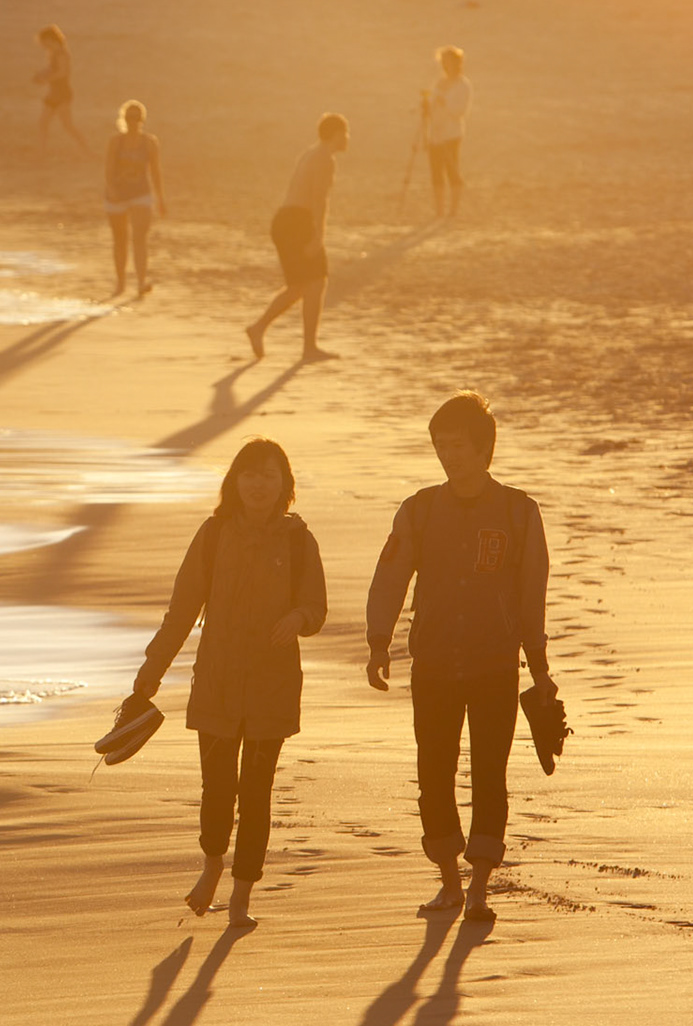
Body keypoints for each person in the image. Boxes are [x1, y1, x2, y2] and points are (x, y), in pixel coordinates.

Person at [365, 392, 554, 924]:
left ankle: (479, 886)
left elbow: (531, 594)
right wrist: (378, 642)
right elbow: (390, 579)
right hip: (434, 666)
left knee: (490, 774)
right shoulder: (420, 509)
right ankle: (448, 882)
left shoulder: (519, 512)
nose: (449, 456)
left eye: (458, 446)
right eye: (440, 446)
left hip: (496, 665)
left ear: (484, 449)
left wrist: (540, 671)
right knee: (434, 772)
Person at [127, 438, 328, 930]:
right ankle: (213, 863)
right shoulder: (214, 536)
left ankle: (241, 898)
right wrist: (149, 676)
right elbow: (181, 613)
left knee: (257, 791)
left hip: (273, 686)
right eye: (249, 474)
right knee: (217, 788)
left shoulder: (299, 541)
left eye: (269, 475)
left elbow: (317, 608)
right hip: (216, 683)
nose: (259, 484)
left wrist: (298, 617)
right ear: (234, 482)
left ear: (285, 485)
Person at [247, 112, 347, 363]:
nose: (348, 138)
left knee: (301, 285)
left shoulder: (310, 152)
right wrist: (318, 237)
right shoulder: (325, 158)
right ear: (335, 134)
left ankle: (258, 329)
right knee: (316, 282)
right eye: (345, 132)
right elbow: (318, 201)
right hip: (297, 222)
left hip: (285, 220)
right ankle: (309, 348)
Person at [104, 99, 166, 297]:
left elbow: (155, 172)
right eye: (129, 117)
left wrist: (160, 198)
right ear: (123, 119)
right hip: (117, 195)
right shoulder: (116, 142)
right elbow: (108, 170)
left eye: (136, 118)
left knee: (140, 239)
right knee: (120, 240)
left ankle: (140, 282)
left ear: (142, 120)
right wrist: (112, 190)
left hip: (141, 194)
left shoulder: (149, 143)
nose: (133, 121)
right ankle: (120, 282)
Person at [424, 46, 472, 218]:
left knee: (452, 169)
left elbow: (460, 111)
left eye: (449, 61)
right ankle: (439, 212)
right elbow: (431, 104)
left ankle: (453, 211)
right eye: (443, 61)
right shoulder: (439, 82)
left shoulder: (463, 85)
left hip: (451, 134)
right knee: (436, 172)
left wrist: (444, 102)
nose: (445, 65)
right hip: (435, 134)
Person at [34, 25, 88, 152]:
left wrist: (45, 79)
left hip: (62, 94)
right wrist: (42, 75)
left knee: (67, 125)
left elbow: (63, 73)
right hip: (53, 93)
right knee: (43, 123)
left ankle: (85, 149)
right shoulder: (53, 53)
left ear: (50, 39)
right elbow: (52, 70)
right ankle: (41, 151)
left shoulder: (62, 54)